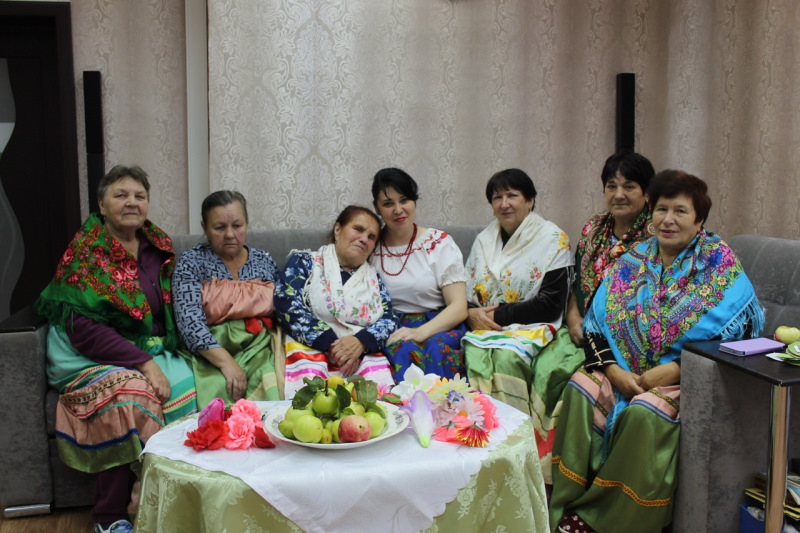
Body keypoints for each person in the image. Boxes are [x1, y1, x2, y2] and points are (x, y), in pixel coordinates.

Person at [550, 171, 764, 533]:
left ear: (699, 220)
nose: (668, 219)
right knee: (580, 387)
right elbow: (596, 325)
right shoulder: (632, 259)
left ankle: (609, 520)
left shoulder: (720, 264)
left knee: (646, 413)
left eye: (680, 211)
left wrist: (678, 369)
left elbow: (740, 334)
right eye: (662, 209)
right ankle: (568, 501)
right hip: (623, 370)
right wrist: (614, 371)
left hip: (684, 379)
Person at [35, 165, 197, 533]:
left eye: (140, 196)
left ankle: (158, 496)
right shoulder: (85, 252)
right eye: (120, 195)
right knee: (130, 396)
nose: (131, 202)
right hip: (84, 353)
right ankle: (109, 516)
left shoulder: (156, 247)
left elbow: (163, 311)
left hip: (146, 347)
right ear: (101, 204)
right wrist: (145, 364)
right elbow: (83, 329)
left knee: (191, 386)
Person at [531, 150, 655, 483]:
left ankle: (576, 474)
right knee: (543, 365)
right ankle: (540, 468)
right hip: (580, 327)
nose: (619, 194)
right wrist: (573, 316)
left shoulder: (656, 236)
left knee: (568, 377)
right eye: (611, 186)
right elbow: (577, 282)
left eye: (629, 186)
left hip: (622, 340)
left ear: (647, 193)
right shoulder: (594, 229)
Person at [463, 168, 573, 417]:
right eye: (497, 198)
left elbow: (551, 304)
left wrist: (494, 316)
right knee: (472, 357)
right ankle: (482, 429)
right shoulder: (484, 240)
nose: (504, 204)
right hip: (484, 327)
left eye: (512, 195)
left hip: (535, 324)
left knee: (507, 359)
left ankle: (515, 429)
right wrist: (471, 313)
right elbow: (467, 293)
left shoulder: (553, 239)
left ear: (530, 200)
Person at [274, 205, 398, 398]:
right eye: (358, 229)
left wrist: (361, 342)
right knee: (312, 404)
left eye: (371, 237)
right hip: (310, 345)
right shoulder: (305, 262)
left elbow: (389, 319)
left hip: (360, 353)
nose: (364, 239)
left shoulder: (373, 279)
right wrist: (333, 345)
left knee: (373, 403)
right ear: (338, 229)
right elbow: (286, 303)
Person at [172, 191, 281, 409]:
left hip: (260, 348)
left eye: (237, 226)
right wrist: (227, 363)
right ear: (204, 228)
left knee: (271, 379)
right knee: (219, 387)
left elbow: (282, 308)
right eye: (220, 228)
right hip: (210, 351)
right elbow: (189, 322)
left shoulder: (263, 261)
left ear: (246, 224)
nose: (230, 234)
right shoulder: (191, 262)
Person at [370, 168, 468, 381]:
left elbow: (459, 306)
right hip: (391, 326)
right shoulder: (369, 246)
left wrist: (420, 332)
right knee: (401, 351)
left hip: (438, 324)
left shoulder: (438, 243)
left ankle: (445, 403)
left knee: (436, 350)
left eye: (404, 200)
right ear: (377, 208)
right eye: (388, 204)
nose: (398, 210)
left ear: (414, 201)